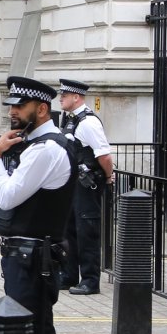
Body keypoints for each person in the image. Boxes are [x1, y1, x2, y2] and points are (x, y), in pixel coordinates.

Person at [0, 76, 77, 334]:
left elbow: (8, 196)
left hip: (33, 260)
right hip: (24, 257)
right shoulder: (33, 145)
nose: (12, 112)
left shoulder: (46, 149)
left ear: (41, 109)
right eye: (11, 105)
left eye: (20, 106)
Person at [58, 79, 113, 295]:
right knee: (69, 230)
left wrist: (108, 177)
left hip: (86, 184)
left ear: (76, 97)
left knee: (87, 231)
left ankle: (90, 280)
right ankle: (69, 275)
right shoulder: (70, 119)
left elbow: (104, 155)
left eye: (64, 95)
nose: (60, 98)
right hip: (72, 184)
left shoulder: (89, 122)